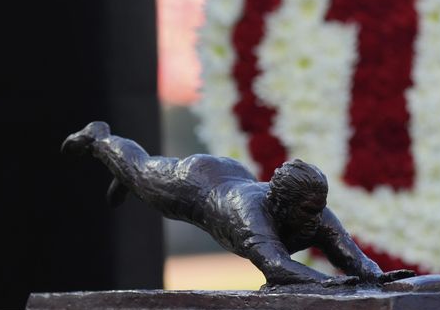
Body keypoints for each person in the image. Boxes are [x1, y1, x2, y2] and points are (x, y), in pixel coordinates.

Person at [62, 121, 414, 287]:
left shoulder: (315, 209)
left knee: (139, 178)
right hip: (195, 184)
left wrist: (378, 276)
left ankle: (127, 177)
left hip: (233, 174)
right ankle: (100, 138)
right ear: (280, 204)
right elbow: (276, 268)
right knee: (140, 172)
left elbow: (349, 254)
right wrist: (328, 283)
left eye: (320, 206)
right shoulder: (249, 215)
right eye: (309, 210)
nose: (318, 217)